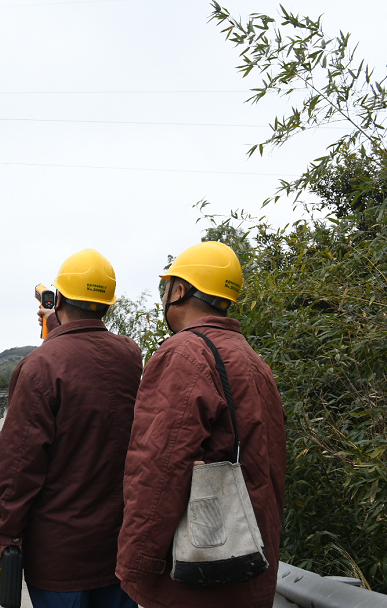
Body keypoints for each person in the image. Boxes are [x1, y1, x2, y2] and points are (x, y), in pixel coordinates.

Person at [115, 241, 286, 608]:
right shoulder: (252, 360)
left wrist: (136, 564)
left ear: (179, 290)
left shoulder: (184, 353)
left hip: (195, 582)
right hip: (248, 564)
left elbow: (158, 469)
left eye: (167, 287)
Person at [0, 248, 143, 608]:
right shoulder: (130, 356)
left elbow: (18, 466)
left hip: (60, 561)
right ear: (107, 306)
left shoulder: (38, 367)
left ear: (57, 299)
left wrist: (5, 536)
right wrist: (60, 329)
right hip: (119, 552)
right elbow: (88, 360)